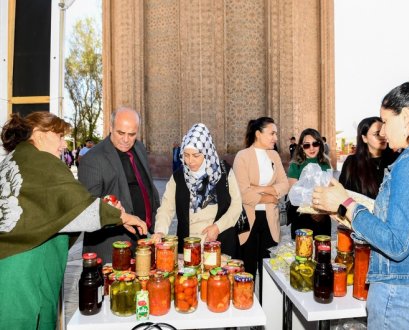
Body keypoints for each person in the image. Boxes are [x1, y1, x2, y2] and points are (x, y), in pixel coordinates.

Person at [313, 82, 409, 328]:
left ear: (406, 116)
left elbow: (396, 244)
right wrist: (347, 212)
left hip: (408, 299)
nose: (383, 131)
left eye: (385, 121)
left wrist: (347, 204)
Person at [0, 112, 146, 329]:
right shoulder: (42, 162)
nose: (62, 145)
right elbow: (79, 208)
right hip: (27, 268)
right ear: (39, 134)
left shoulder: (17, 158)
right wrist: (122, 216)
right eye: (59, 137)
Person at [78, 107, 160, 263]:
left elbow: (147, 187)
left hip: (142, 243)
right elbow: (89, 209)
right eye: (120, 133)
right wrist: (123, 218)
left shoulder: (139, 148)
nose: (126, 139)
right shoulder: (93, 159)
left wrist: (157, 223)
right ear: (110, 128)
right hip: (110, 250)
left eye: (132, 134)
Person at [153, 123, 242, 257]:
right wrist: (160, 231)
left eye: (196, 155)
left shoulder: (224, 172)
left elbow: (236, 206)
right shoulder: (178, 177)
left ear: (206, 152)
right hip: (189, 248)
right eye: (186, 155)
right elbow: (166, 208)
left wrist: (218, 227)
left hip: (220, 244)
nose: (190, 161)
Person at [232, 117, 289, 299]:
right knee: (247, 271)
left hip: (270, 223)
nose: (275, 138)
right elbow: (243, 193)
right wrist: (270, 196)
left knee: (268, 270)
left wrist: (258, 189)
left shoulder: (274, 156)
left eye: (276, 134)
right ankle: (247, 310)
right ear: (258, 134)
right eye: (272, 133)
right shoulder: (242, 156)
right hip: (248, 222)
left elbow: (285, 185)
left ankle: (267, 314)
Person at [339, 117, 398, 200]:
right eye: (377, 134)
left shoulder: (397, 159)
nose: (382, 136)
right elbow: (345, 194)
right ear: (364, 138)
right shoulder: (352, 162)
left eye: (384, 132)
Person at [287, 128, 331, 238]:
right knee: (302, 252)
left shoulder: (325, 163)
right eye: (307, 145)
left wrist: (321, 212)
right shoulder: (295, 165)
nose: (311, 148)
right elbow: (293, 192)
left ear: (320, 144)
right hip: (302, 216)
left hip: (322, 216)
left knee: (322, 251)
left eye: (315, 144)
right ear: (301, 146)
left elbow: (329, 189)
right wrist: (311, 210)